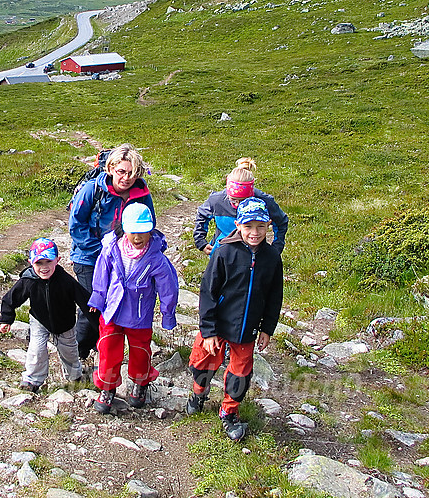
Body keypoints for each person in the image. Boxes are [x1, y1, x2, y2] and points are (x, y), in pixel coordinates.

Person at [186, 197, 284, 441]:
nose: (254, 232)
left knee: (241, 374)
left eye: (260, 226)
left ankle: (229, 412)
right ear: (238, 225)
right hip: (218, 324)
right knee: (203, 363)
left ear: (269, 225)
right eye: (248, 226)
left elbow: (275, 296)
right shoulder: (224, 252)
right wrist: (207, 330)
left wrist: (267, 328)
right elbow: (208, 292)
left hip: (247, 328)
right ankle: (199, 393)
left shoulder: (272, 258)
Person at [87, 203, 179, 414]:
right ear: (124, 229)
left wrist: (168, 314)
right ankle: (107, 388)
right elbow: (102, 274)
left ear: (151, 230)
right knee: (108, 349)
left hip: (140, 314)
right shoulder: (112, 248)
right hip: (112, 310)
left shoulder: (156, 258)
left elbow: (168, 288)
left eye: (144, 232)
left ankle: (140, 383)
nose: (138, 237)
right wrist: (97, 298)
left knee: (140, 351)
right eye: (133, 232)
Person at [69, 143, 155, 360]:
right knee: (91, 306)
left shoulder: (142, 194)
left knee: (113, 304)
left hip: (123, 260)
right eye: (121, 172)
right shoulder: (92, 190)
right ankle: (79, 353)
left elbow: (149, 224)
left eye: (132, 173)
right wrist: (101, 252)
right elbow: (76, 224)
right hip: (88, 258)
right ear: (110, 168)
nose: (126, 178)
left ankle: (105, 353)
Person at [0, 238, 91, 392]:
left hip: (65, 322)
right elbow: (10, 299)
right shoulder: (29, 280)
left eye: (48, 261)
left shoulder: (65, 281)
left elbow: (84, 300)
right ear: (30, 262)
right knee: (36, 350)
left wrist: (98, 323)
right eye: (39, 263)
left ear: (57, 260)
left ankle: (74, 375)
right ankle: (32, 380)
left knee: (69, 350)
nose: (44, 267)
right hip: (39, 320)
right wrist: (6, 319)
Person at [193, 157, 288, 257]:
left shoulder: (263, 202)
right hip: (222, 253)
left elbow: (281, 221)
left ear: (252, 194)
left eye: (243, 201)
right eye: (233, 200)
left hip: (255, 253)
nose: (238, 204)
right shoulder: (217, 200)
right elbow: (202, 215)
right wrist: (201, 242)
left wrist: (276, 248)